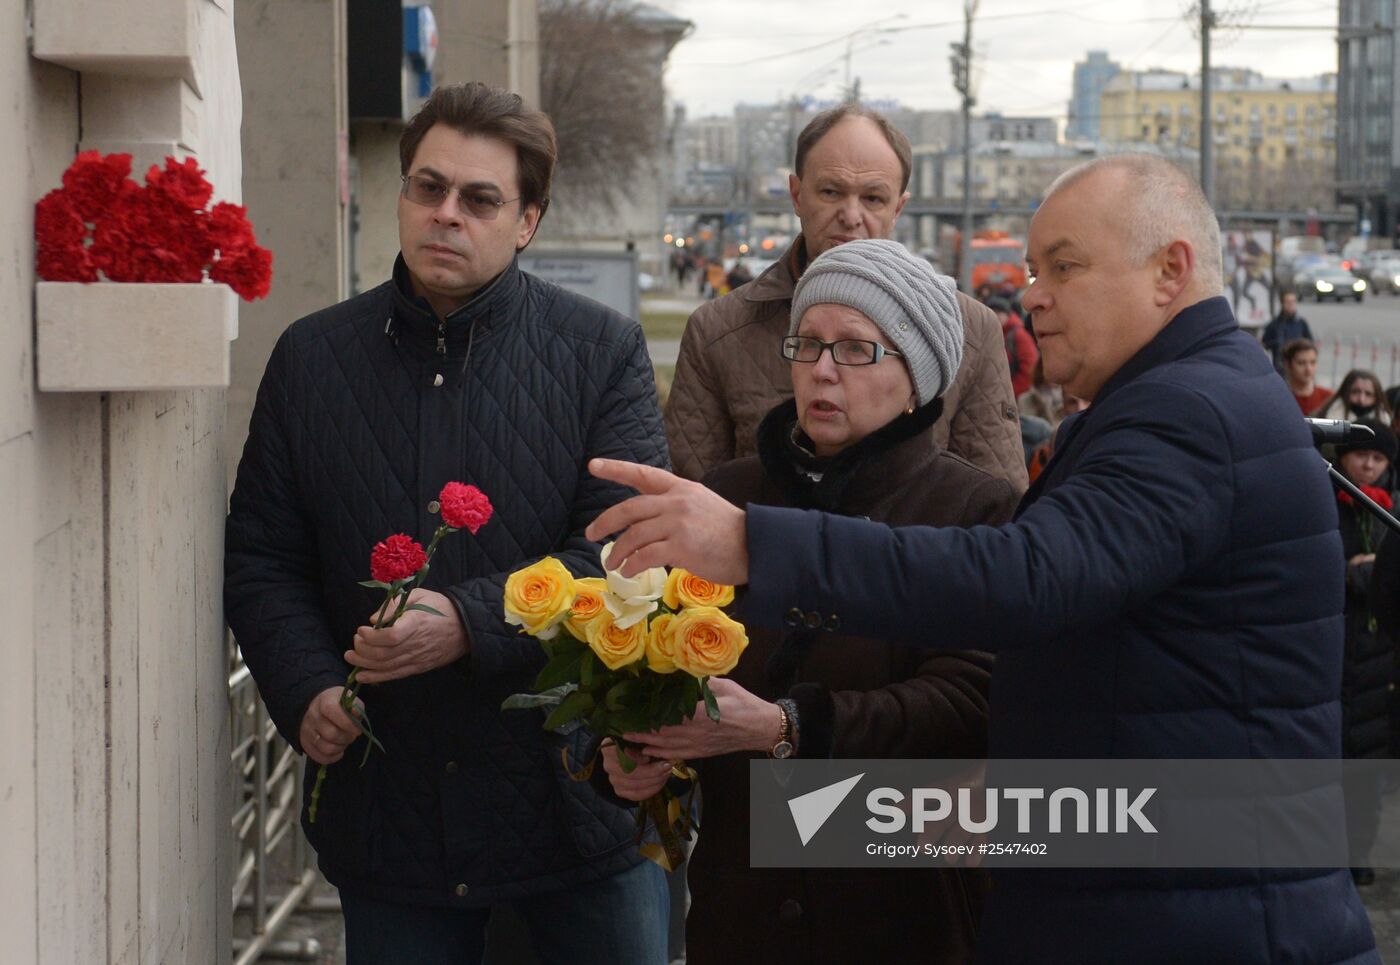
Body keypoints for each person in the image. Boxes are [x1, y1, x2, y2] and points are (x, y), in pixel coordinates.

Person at [584, 154, 1378, 962]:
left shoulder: (1188, 411)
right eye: (1034, 269)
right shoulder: (1176, 399)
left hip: (1188, 914)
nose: (1032, 293)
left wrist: (757, 554)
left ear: (1170, 270)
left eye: (1063, 266)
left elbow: (1028, 581)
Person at [224, 83, 671, 965]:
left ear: (528, 221)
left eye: (480, 199)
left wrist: (471, 623)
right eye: (427, 189)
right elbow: (262, 555)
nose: (446, 215)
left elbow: (624, 554)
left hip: (574, 811)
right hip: (393, 821)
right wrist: (309, 686)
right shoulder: (313, 359)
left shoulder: (601, 354)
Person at [601, 239, 1018, 964]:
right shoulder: (726, 498)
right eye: (809, 343)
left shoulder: (974, 509)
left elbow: (968, 702)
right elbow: (653, 657)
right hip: (742, 913)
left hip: (904, 911)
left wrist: (786, 725)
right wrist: (636, 755)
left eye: (857, 349)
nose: (823, 369)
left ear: (917, 378)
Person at [664, 103, 1026, 491]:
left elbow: (998, 513)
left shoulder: (970, 330)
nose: (851, 215)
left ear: (898, 208)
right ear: (796, 195)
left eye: (873, 198)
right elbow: (686, 506)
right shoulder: (719, 332)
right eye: (831, 191)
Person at [1331, 420, 1400, 887]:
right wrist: (1356, 572)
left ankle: (1359, 851)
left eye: (1378, 459)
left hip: (1381, 660)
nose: (1370, 465)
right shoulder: (1324, 504)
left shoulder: (1391, 514)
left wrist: (1363, 572)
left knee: (1369, 771)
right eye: (1361, 456)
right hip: (1336, 650)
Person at [988, 296, 1039, 397]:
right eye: (992, 312)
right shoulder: (995, 334)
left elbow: (1030, 369)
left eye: (999, 312)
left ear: (1007, 314)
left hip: (1017, 396)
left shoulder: (1018, 335)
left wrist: (1008, 392)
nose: (996, 316)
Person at [1314, 368, 1393, 425]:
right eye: (1355, 392)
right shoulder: (1322, 419)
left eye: (1368, 394)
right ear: (1345, 392)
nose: (1361, 399)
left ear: (1377, 397)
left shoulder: (1384, 420)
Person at [1260, 289, 1315, 370]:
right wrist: (1277, 344)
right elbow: (1264, 343)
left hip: (1298, 368)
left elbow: (1310, 342)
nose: (1290, 305)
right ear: (1282, 303)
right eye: (1288, 302)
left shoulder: (1301, 323)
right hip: (1280, 367)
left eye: (1293, 302)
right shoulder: (1274, 324)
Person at [1280, 338, 1332, 416]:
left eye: (1313, 362)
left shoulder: (1328, 398)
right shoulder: (1280, 398)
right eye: (1301, 363)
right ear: (1287, 365)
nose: (1308, 369)